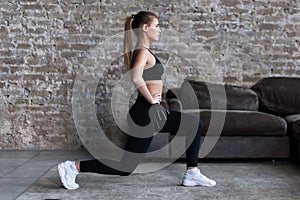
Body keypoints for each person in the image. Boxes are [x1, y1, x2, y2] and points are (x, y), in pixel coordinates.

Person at [58, 11, 216, 190]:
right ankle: (73, 167)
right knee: (192, 124)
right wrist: (152, 100)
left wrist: (153, 102)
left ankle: (192, 173)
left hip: (146, 112)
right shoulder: (142, 51)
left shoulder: (145, 51)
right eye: (157, 26)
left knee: (127, 166)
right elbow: (135, 77)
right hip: (145, 113)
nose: (160, 30)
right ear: (145, 28)